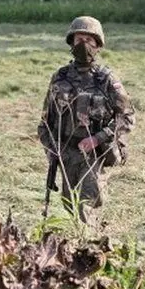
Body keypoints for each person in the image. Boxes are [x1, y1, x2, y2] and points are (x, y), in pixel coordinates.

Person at [38, 16, 135, 225]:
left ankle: (90, 246)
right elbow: (45, 122)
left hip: (94, 154)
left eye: (89, 40)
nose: (84, 44)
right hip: (66, 153)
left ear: (98, 45)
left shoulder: (106, 79)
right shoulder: (60, 78)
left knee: (87, 204)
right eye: (79, 38)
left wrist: (98, 138)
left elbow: (126, 117)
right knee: (69, 203)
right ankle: (84, 245)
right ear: (71, 42)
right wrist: (52, 150)